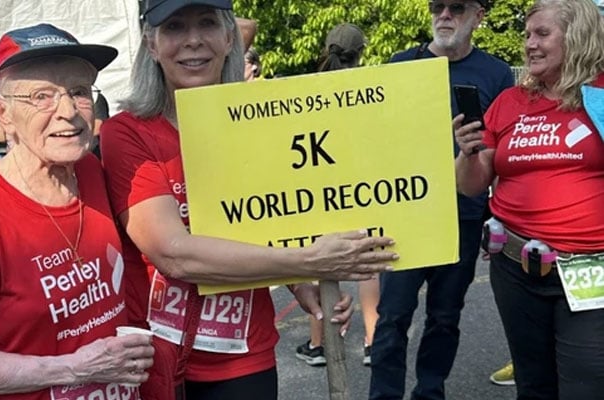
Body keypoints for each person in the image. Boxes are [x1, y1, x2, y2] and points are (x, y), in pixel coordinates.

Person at [100, 1, 399, 399]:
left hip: (243, 357)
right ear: (152, 45)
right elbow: (173, 253)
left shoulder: (260, 125)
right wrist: (309, 261)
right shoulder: (127, 133)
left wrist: (299, 285)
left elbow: (266, 221)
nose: (193, 41)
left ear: (228, 38)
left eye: (207, 23)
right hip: (158, 358)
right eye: (174, 27)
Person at [0, 23, 154, 400]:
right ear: (3, 113)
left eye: (79, 92)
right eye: (41, 96)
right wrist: (75, 368)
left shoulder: (92, 172)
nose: (67, 111)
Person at [455, 0, 604, 398]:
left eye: (542, 34)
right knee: (533, 385)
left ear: (577, 38)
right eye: (526, 35)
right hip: (515, 267)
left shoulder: (602, 96)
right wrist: (467, 152)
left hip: (590, 268)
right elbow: (471, 185)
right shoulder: (510, 102)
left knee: (586, 387)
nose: (529, 45)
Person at [368, 1, 514, 399]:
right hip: (406, 213)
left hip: (464, 216)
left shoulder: (497, 73)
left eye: (456, 7)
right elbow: (372, 139)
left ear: (479, 16)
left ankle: (430, 391)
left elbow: (504, 149)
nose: (444, 15)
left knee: (445, 317)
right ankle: (384, 395)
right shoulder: (400, 65)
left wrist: (498, 218)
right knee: (392, 316)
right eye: (437, 7)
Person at [294, 22, 379, 368]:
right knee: (369, 266)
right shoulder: (370, 90)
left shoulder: (309, 90)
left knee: (319, 265)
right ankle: (373, 341)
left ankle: (319, 344)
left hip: (320, 190)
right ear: (361, 52)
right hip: (363, 187)